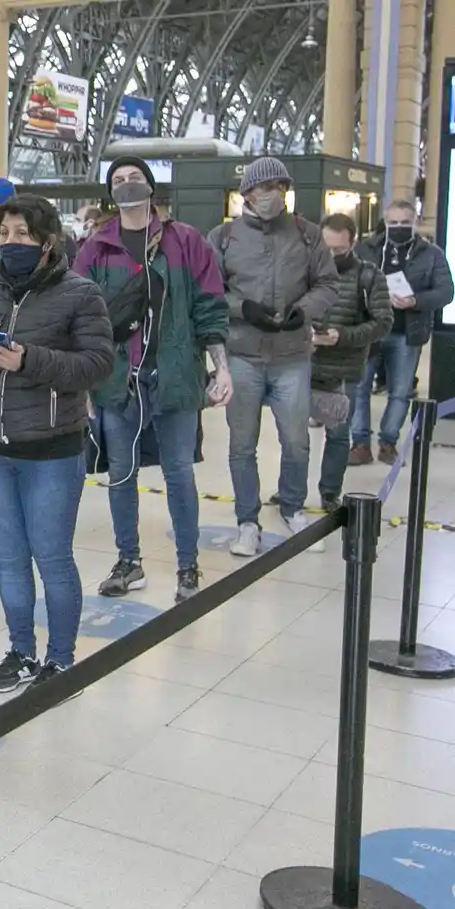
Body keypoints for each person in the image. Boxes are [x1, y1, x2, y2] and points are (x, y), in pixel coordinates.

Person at [0, 194, 112, 694]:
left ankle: (61, 660)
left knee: (51, 557)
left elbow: (98, 364)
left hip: (52, 450)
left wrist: (29, 360)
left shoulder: (80, 294)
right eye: (4, 232)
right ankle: (21, 651)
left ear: (48, 243)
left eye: (22, 235)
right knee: (9, 558)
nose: (10, 242)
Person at [74, 157, 231, 603]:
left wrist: (222, 366)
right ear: (110, 193)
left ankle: (188, 565)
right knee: (121, 474)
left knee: (179, 473)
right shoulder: (97, 248)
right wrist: (83, 385)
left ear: (150, 186)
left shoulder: (185, 242)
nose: (127, 186)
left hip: (175, 376)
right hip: (116, 381)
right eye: (118, 181)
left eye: (135, 178)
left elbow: (210, 307)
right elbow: (81, 319)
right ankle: (129, 561)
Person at [208, 156, 338, 556]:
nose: (273, 194)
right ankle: (248, 521)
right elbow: (210, 288)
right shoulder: (223, 236)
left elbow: (329, 283)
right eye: (266, 188)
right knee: (241, 444)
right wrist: (241, 308)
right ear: (247, 192)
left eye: (280, 187)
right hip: (242, 355)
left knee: (296, 440)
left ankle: (293, 506)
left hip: (292, 355)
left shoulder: (307, 234)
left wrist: (306, 311)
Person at [349, 199, 453, 464]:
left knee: (401, 391)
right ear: (385, 221)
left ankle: (388, 442)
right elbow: (347, 283)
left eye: (405, 223)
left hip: (406, 333)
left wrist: (415, 300)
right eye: (393, 222)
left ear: (415, 222)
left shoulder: (431, 254)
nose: (398, 227)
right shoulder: (366, 249)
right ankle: (360, 444)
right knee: (359, 388)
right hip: (369, 329)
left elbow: (446, 291)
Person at [301, 214, 393, 507]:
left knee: (338, 435)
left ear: (352, 244)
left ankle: (329, 492)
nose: (330, 256)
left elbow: (382, 323)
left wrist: (341, 335)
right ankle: (291, 491)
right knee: (292, 436)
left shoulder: (369, 276)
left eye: (338, 251)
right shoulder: (305, 270)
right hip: (301, 364)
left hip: (344, 371)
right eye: (324, 248)